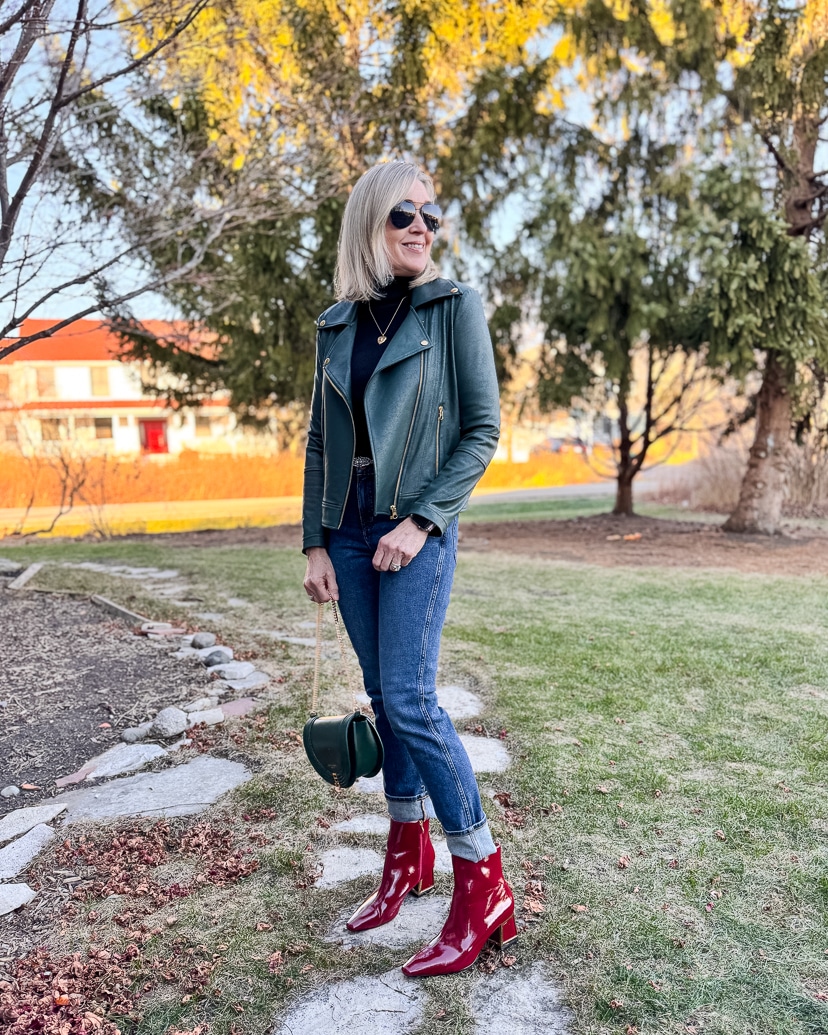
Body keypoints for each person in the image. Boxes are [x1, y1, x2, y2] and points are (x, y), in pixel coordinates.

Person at [302, 161, 514, 977]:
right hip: (347, 529)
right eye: (403, 212)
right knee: (385, 700)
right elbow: (322, 441)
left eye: (431, 211)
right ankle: (404, 861)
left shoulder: (453, 307)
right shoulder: (337, 325)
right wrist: (316, 541)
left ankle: (482, 885)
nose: (422, 224)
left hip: (416, 524)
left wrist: (422, 519)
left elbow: (481, 433)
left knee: (414, 702)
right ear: (369, 223)